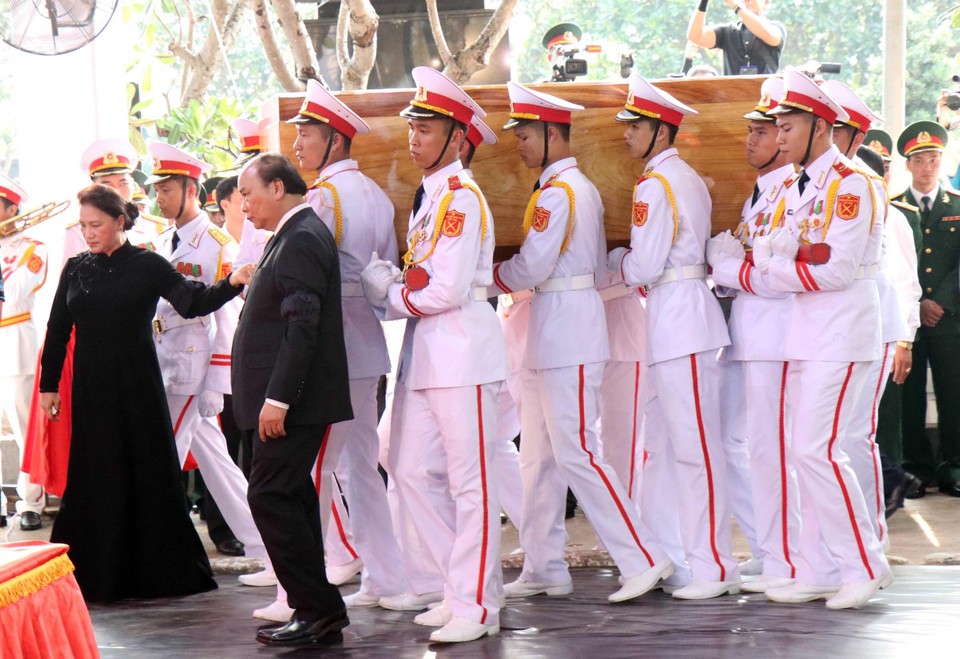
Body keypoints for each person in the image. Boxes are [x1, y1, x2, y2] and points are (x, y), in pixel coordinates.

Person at [491, 80, 673, 604]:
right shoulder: (560, 189)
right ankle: (544, 565)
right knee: (540, 457)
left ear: (552, 134)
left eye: (526, 135)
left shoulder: (563, 192)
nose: (520, 145)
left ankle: (641, 555)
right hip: (554, 328)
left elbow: (533, 265)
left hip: (568, 329)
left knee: (577, 452)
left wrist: (482, 279)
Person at [38, 183, 252, 602]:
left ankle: (153, 571)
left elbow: (193, 302)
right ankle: (98, 571)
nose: (88, 233)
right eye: (83, 226)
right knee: (96, 472)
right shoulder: (76, 267)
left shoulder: (148, 263)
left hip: (138, 386)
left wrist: (232, 281)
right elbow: (59, 327)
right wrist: (48, 384)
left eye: (96, 224)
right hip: (91, 389)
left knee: (147, 471)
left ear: (120, 221)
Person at [361, 67, 507, 643]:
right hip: (429, 352)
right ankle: (463, 589)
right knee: (411, 469)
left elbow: (440, 290)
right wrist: (402, 288)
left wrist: (386, 291)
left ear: (457, 139)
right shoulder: (433, 200)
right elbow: (424, 282)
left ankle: (476, 604)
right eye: (414, 127)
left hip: (464, 352)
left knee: (472, 483)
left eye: (426, 129)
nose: (414, 138)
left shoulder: (461, 199)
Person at [755, 69, 891, 608]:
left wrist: (776, 266)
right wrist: (785, 259)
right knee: (801, 452)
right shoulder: (799, 186)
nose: (779, 137)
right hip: (806, 332)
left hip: (841, 329)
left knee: (819, 450)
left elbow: (833, 270)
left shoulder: (852, 183)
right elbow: (790, 251)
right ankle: (816, 566)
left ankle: (862, 564)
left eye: (787, 127)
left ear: (819, 127)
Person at [608, 72, 738, 600]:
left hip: (680, 318)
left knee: (693, 449)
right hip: (675, 318)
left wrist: (614, 259)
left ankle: (713, 566)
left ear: (660, 131)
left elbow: (643, 265)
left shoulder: (657, 184)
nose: (626, 134)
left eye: (634, 126)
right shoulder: (678, 177)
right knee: (662, 447)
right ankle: (674, 554)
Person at [288, 79, 406, 610]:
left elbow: (312, 275)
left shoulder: (324, 197)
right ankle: (383, 577)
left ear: (334, 141)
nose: (296, 146)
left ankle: (303, 591)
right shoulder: (376, 194)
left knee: (315, 467)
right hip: (366, 338)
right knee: (360, 467)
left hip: (332, 345)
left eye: (307, 134)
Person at [233, 153, 353, 647]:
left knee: (269, 495)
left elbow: (301, 325)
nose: (243, 206)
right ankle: (319, 609)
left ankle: (315, 606)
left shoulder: (301, 236)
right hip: (290, 399)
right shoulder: (290, 234)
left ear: (278, 188)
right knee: (292, 495)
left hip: (293, 401)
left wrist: (278, 399)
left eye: (248, 193)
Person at [145, 142, 270, 572]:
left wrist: (219, 381)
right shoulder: (160, 240)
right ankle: (264, 546)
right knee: (217, 464)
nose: (158, 196)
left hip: (195, 370)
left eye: (166, 188)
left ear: (190, 189)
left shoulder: (216, 243)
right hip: (166, 362)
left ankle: (157, 550)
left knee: (165, 456)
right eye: (156, 188)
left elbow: (230, 314)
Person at [706, 76, 800, 594]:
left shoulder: (791, 195)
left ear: (784, 140)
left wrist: (724, 266)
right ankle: (771, 545)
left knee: (773, 447)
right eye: (751, 131)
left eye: (762, 132)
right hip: (746, 332)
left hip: (775, 333)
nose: (751, 141)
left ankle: (791, 555)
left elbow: (770, 268)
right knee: (732, 441)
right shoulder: (759, 196)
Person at [821, 80, 915, 548]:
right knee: (832, 440)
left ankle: (866, 540)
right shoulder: (821, 184)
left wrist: (905, 338)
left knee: (855, 435)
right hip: (838, 326)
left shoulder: (861, 188)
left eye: (831, 128)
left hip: (871, 324)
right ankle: (838, 541)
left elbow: (902, 279)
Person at [892, 121, 960, 498]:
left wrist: (940, 302)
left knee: (954, 394)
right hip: (909, 322)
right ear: (908, 165)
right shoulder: (893, 209)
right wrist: (917, 304)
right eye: (920, 159)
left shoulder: (958, 206)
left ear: (942, 162)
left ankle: (953, 467)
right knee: (909, 395)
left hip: (949, 319)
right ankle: (915, 468)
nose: (928, 166)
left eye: (934, 158)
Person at [0, 174, 47, 531]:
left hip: (16, 342)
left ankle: (31, 502)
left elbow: (14, 296)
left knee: (25, 428)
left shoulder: (34, 247)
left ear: (11, 208)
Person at [686, 0, 785, 76]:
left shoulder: (776, 27)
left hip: (766, 97)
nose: (746, 1)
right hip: (733, 98)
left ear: (766, 2)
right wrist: (703, 3)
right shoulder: (727, 31)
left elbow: (767, 33)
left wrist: (737, 6)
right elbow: (695, 36)